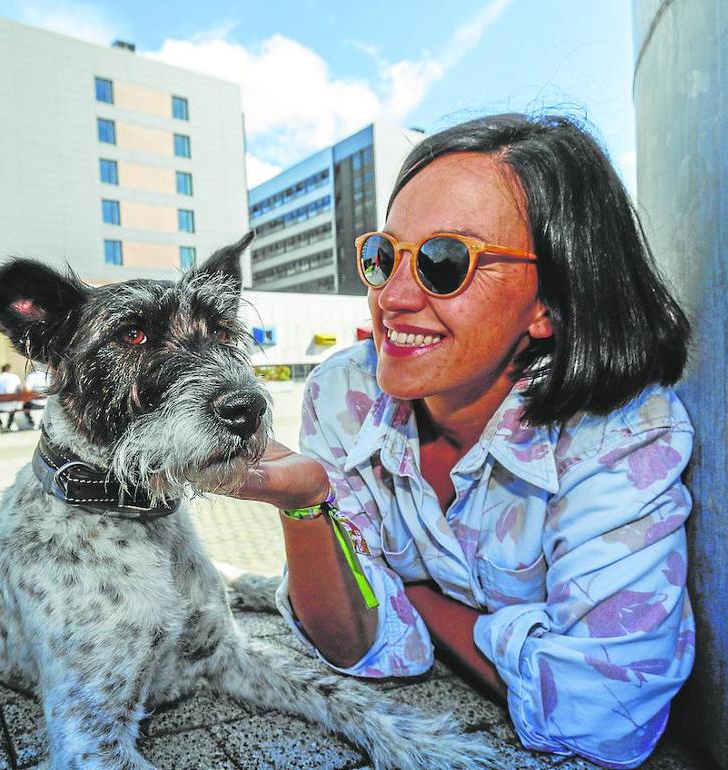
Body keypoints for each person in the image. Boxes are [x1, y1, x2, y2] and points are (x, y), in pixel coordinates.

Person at [234, 114, 694, 769]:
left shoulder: (621, 432)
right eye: (382, 257)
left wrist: (415, 597)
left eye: (443, 263)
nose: (390, 297)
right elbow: (354, 640)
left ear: (550, 302)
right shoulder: (344, 394)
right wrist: (305, 506)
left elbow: (605, 717)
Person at [0, 363, 23, 431]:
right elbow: (20, 389)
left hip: (0, 405)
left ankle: (0, 424)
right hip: (12, 404)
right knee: (15, 406)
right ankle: (9, 425)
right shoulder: (15, 377)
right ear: (9, 369)